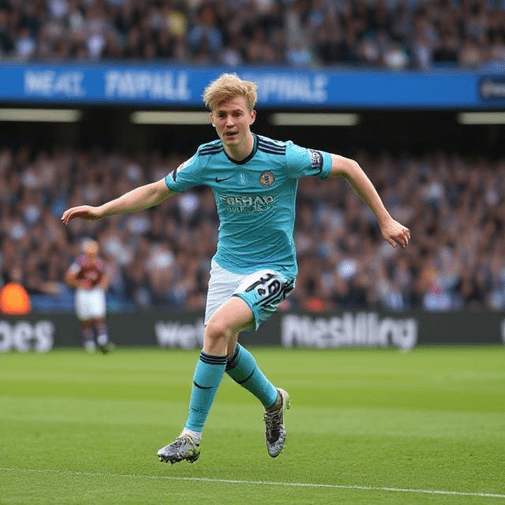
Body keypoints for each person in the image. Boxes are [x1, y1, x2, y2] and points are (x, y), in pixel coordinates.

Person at [61, 73, 410, 464]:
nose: (229, 122)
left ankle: (190, 436)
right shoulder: (206, 158)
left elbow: (348, 166)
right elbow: (158, 190)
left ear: (252, 116)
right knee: (222, 352)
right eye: (221, 114)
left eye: (236, 114)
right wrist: (102, 210)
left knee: (215, 329)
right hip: (226, 267)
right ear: (212, 119)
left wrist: (385, 220)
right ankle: (274, 401)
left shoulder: (283, 156)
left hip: (274, 268)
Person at [64, 239, 111, 353]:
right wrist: (79, 284)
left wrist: (102, 285)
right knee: (85, 319)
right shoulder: (79, 263)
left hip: (95, 291)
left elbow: (105, 278)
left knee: (98, 316)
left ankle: (102, 341)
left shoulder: (99, 264)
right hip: (83, 292)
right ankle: (89, 343)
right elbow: (69, 277)